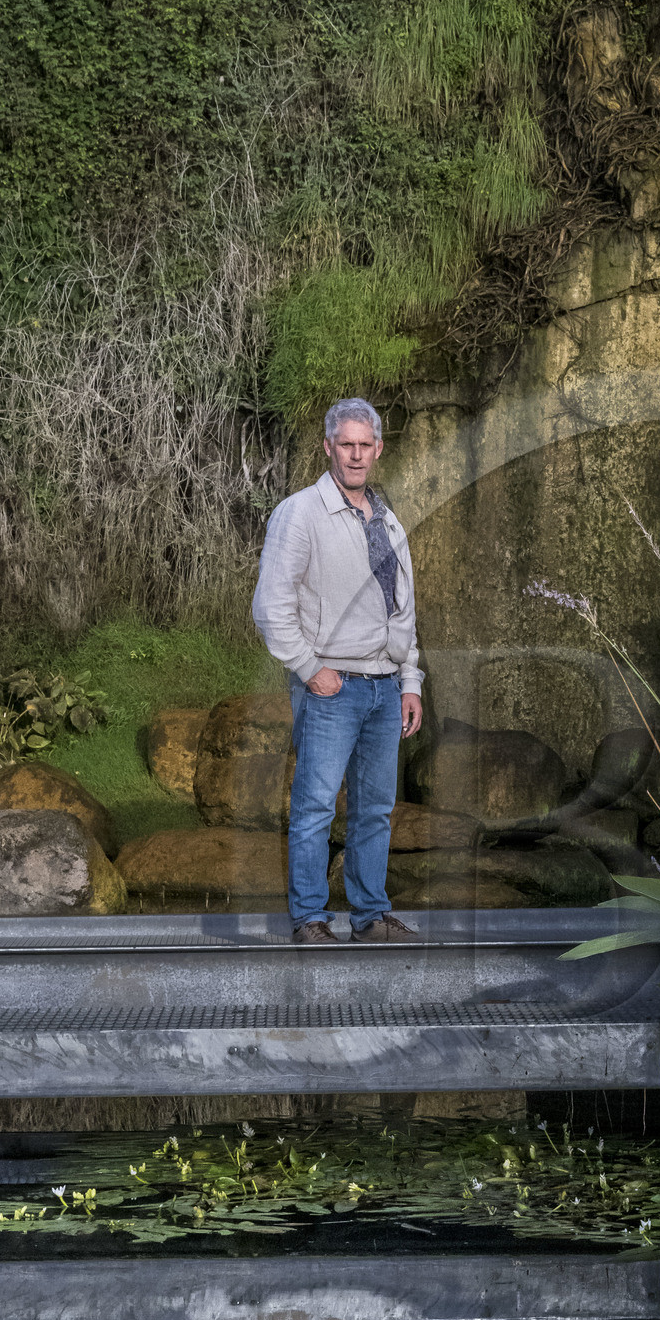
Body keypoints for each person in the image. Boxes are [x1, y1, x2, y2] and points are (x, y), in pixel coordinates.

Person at [251, 397, 425, 944]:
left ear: (378, 449)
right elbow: (270, 607)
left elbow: (405, 610)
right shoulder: (300, 513)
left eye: (364, 445)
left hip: (384, 686)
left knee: (374, 810)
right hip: (331, 688)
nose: (355, 454)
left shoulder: (389, 520)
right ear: (328, 447)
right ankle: (310, 919)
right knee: (314, 808)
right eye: (344, 444)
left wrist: (411, 680)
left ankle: (370, 915)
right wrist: (309, 668)